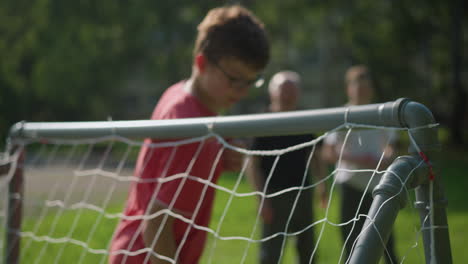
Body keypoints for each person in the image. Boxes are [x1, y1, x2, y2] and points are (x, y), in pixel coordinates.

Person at [109, 5, 270, 264]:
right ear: (201, 62)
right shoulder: (192, 130)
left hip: (130, 249)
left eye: (251, 82)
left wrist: (220, 151)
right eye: (234, 79)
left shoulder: (179, 96)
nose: (242, 92)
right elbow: (156, 221)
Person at [247, 71, 327, 264]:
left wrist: (322, 186)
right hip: (274, 196)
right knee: (271, 253)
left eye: (292, 90)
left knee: (308, 250)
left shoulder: (304, 120)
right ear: (272, 92)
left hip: (302, 193)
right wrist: (261, 199)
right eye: (283, 89)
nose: (288, 94)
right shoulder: (262, 122)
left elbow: (315, 156)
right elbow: (252, 164)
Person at [321, 65, 399, 263]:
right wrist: (358, 160)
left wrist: (384, 160)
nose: (362, 91)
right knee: (353, 244)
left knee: (386, 243)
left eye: (366, 87)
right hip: (351, 186)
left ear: (371, 89)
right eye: (357, 87)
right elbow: (329, 152)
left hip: (379, 189)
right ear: (349, 89)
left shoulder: (382, 113)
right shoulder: (341, 115)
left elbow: (391, 147)